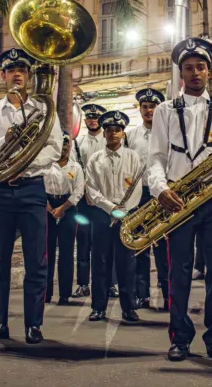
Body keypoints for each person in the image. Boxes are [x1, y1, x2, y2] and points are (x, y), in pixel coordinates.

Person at [147, 38, 212, 362]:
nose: (195, 72)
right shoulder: (164, 110)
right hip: (179, 199)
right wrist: (161, 189)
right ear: (181, 73)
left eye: (200, 66)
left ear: (209, 70)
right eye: (189, 68)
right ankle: (180, 339)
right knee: (179, 273)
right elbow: (156, 156)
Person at [0, 48, 62, 345]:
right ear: (3, 76)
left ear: (29, 75)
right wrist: (4, 141)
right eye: (12, 70)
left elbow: (54, 148)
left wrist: (21, 164)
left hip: (32, 190)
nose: (18, 74)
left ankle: (33, 325)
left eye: (22, 69)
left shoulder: (43, 109)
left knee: (36, 262)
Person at [85, 110, 143, 323]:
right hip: (101, 216)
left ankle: (129, 308)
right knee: (100, 262)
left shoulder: (132, 156)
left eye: (117, 130)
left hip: (128, 217)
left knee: (127, 264)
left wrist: (124, 212)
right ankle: (98, 307)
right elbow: (92, 190)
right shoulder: (94, 159)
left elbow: (136, 188)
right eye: (109, 130)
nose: (113, 134)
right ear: (104, 134)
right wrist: (112, 209)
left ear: (123, 133)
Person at [125, 88, 168, 310]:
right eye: (145, 107)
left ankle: (168, 293)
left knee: (163, 246)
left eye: (153, 106)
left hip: (162, 196)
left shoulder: (169, 132)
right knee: (141, 247)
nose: (149, 110)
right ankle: (142, 295)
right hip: (139, 195)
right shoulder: (130, 136)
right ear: (140, 109)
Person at [70, 103, 107, 298]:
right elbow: (75, 168)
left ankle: (110, 283)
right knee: (83, 243)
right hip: (84, 200)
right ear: (85, 121)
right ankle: (83, 284)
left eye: (96, 117)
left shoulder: (108, 140)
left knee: (106, 243)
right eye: (89, 117)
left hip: (104, 199)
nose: (92, 120)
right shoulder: (79, 142)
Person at [43, 132, 84, 305]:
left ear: (69, 146)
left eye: (66, 144)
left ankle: (64, 294)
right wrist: (49, 207)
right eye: (60, 144)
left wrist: (63, 208)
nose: (63, 147)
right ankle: (46, 293)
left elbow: (79, 191)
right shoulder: (44, 165)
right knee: (47, 253)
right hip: (47, 207)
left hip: (68, 208)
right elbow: (38, 186)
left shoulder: (76, 167)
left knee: (66, 253)